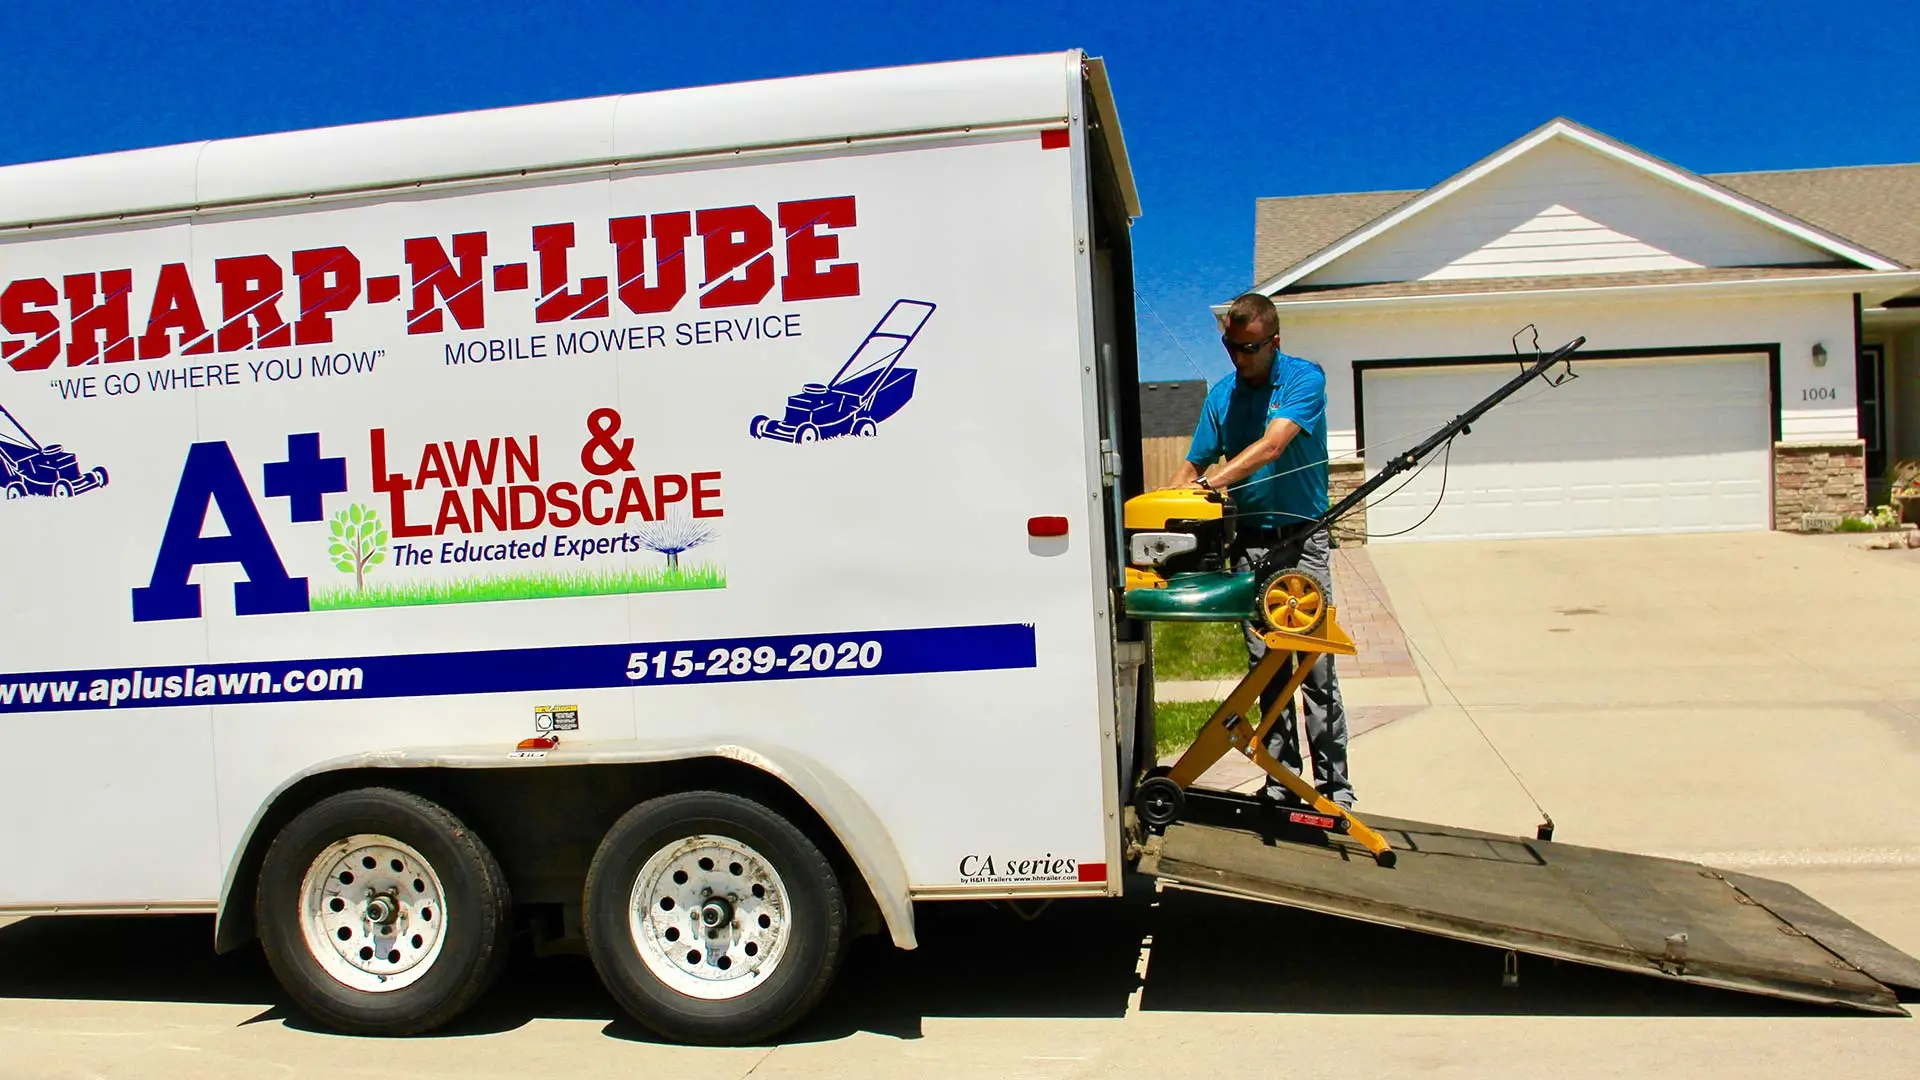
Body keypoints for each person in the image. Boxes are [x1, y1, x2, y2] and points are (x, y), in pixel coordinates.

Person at [1163, 292, 1353, 808]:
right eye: (1230, 347)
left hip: (1302, 541)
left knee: (1315, 669)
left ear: (1273, 341)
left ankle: (1335, 788)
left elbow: (1272, 446)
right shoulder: (1222, 395)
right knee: (1266, 671)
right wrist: (1165, 504)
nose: (1239, 358)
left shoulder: (1302, 378)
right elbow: (1193, 464)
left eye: (1248, 348)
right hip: (1249, 545)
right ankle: (1281, 780)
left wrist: (1213, 485)